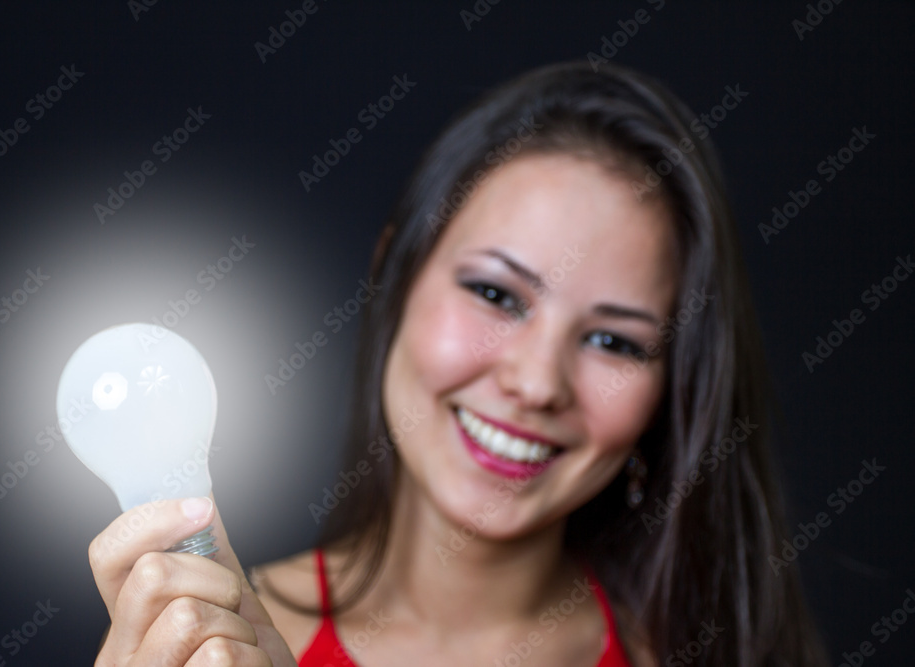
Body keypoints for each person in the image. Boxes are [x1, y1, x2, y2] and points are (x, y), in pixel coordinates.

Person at [88, 62, 831, 666]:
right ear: (394, 276)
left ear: (672, 389)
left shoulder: (708, 652)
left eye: (614, 341)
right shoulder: (202, 641)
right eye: (495, 294)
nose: (537, 382)